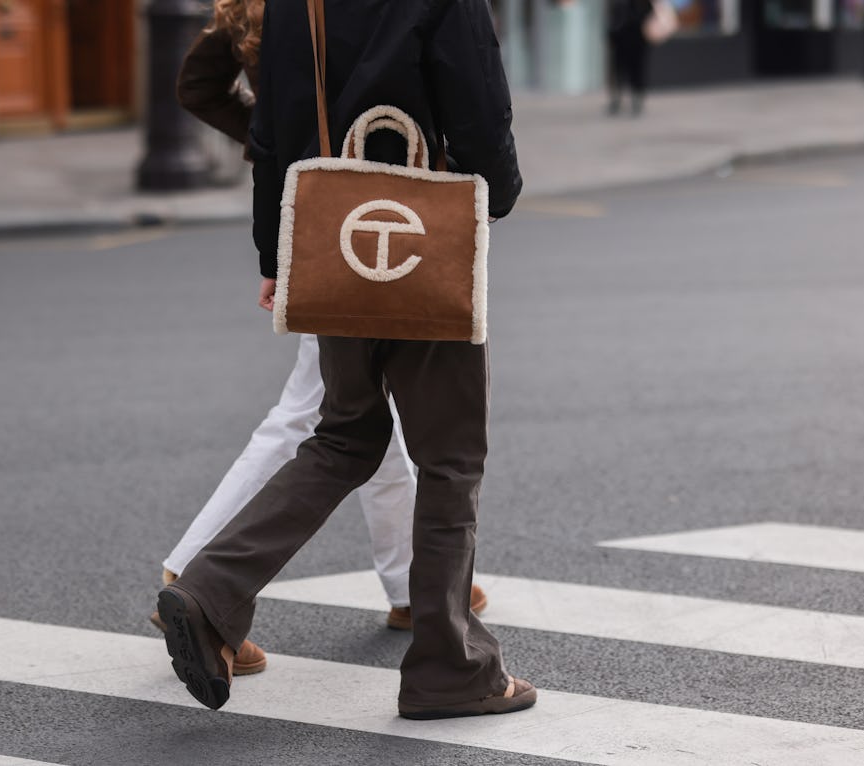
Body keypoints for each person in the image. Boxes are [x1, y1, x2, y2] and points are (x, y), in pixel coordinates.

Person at [158, 0, 534, 721]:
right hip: (420, 241)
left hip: (334, 240)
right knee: (450, 458)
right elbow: (482, 114)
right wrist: (497, 197)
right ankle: (450, 670)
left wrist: (278, 253)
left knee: (342, 437)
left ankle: (209, 593)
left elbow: (273, 130)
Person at [607, 0, 654, 117]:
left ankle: (636, 99)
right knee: (619, 71)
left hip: (637, 40)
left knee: (636, 71)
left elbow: (649, 14)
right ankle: (617, 99)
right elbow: (613, 17)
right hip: (621, 40)